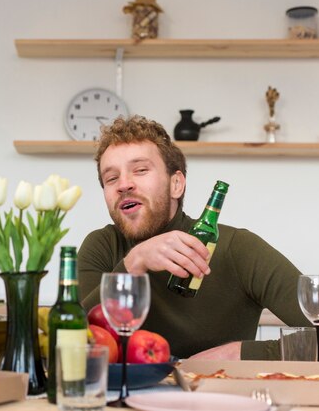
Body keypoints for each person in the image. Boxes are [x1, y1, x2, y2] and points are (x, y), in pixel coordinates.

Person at [78, 115, 308, 360]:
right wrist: (133, 263)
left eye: (140, 170)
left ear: (176, 184)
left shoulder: (238, 249)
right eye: (111, 178)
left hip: (221, 393)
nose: (123, 184)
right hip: (122, 398)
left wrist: (238, 353)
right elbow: (73, 344)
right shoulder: (102, 246)